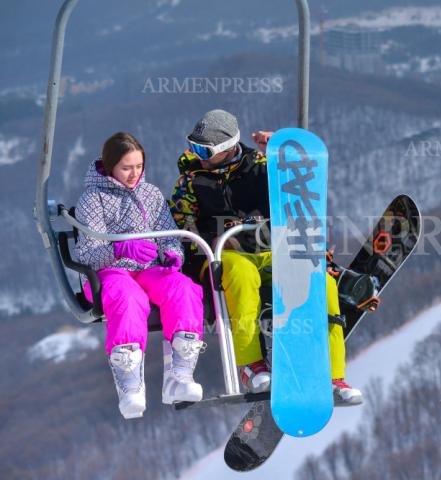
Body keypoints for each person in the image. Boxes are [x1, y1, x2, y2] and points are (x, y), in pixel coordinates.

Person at [170, 109, 362, 405]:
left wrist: (282, 157)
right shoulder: (192, 182)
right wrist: (215, 241)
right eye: (193, 147)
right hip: (224, 255)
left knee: (321, 284)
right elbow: (183, 226)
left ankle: (332, 374)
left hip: (271, 249)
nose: (198, 156)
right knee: (241, 276)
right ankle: (251, 364)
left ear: (227, 147)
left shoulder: (261, 169)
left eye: (203, 150)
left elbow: (300, 194)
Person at [75, 132, 206, 419]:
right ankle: (130, 384)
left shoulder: (151, 194)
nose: (134, 174)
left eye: (138, 166)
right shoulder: (92, 199)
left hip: (147, 269)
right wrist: (120, 247)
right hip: (110, 273)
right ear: (111, 166)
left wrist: (173, 254)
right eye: (126, 167)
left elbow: (168, 235)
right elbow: (87, 253)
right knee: (128, 297)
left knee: (182, 288)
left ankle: (180, 376)